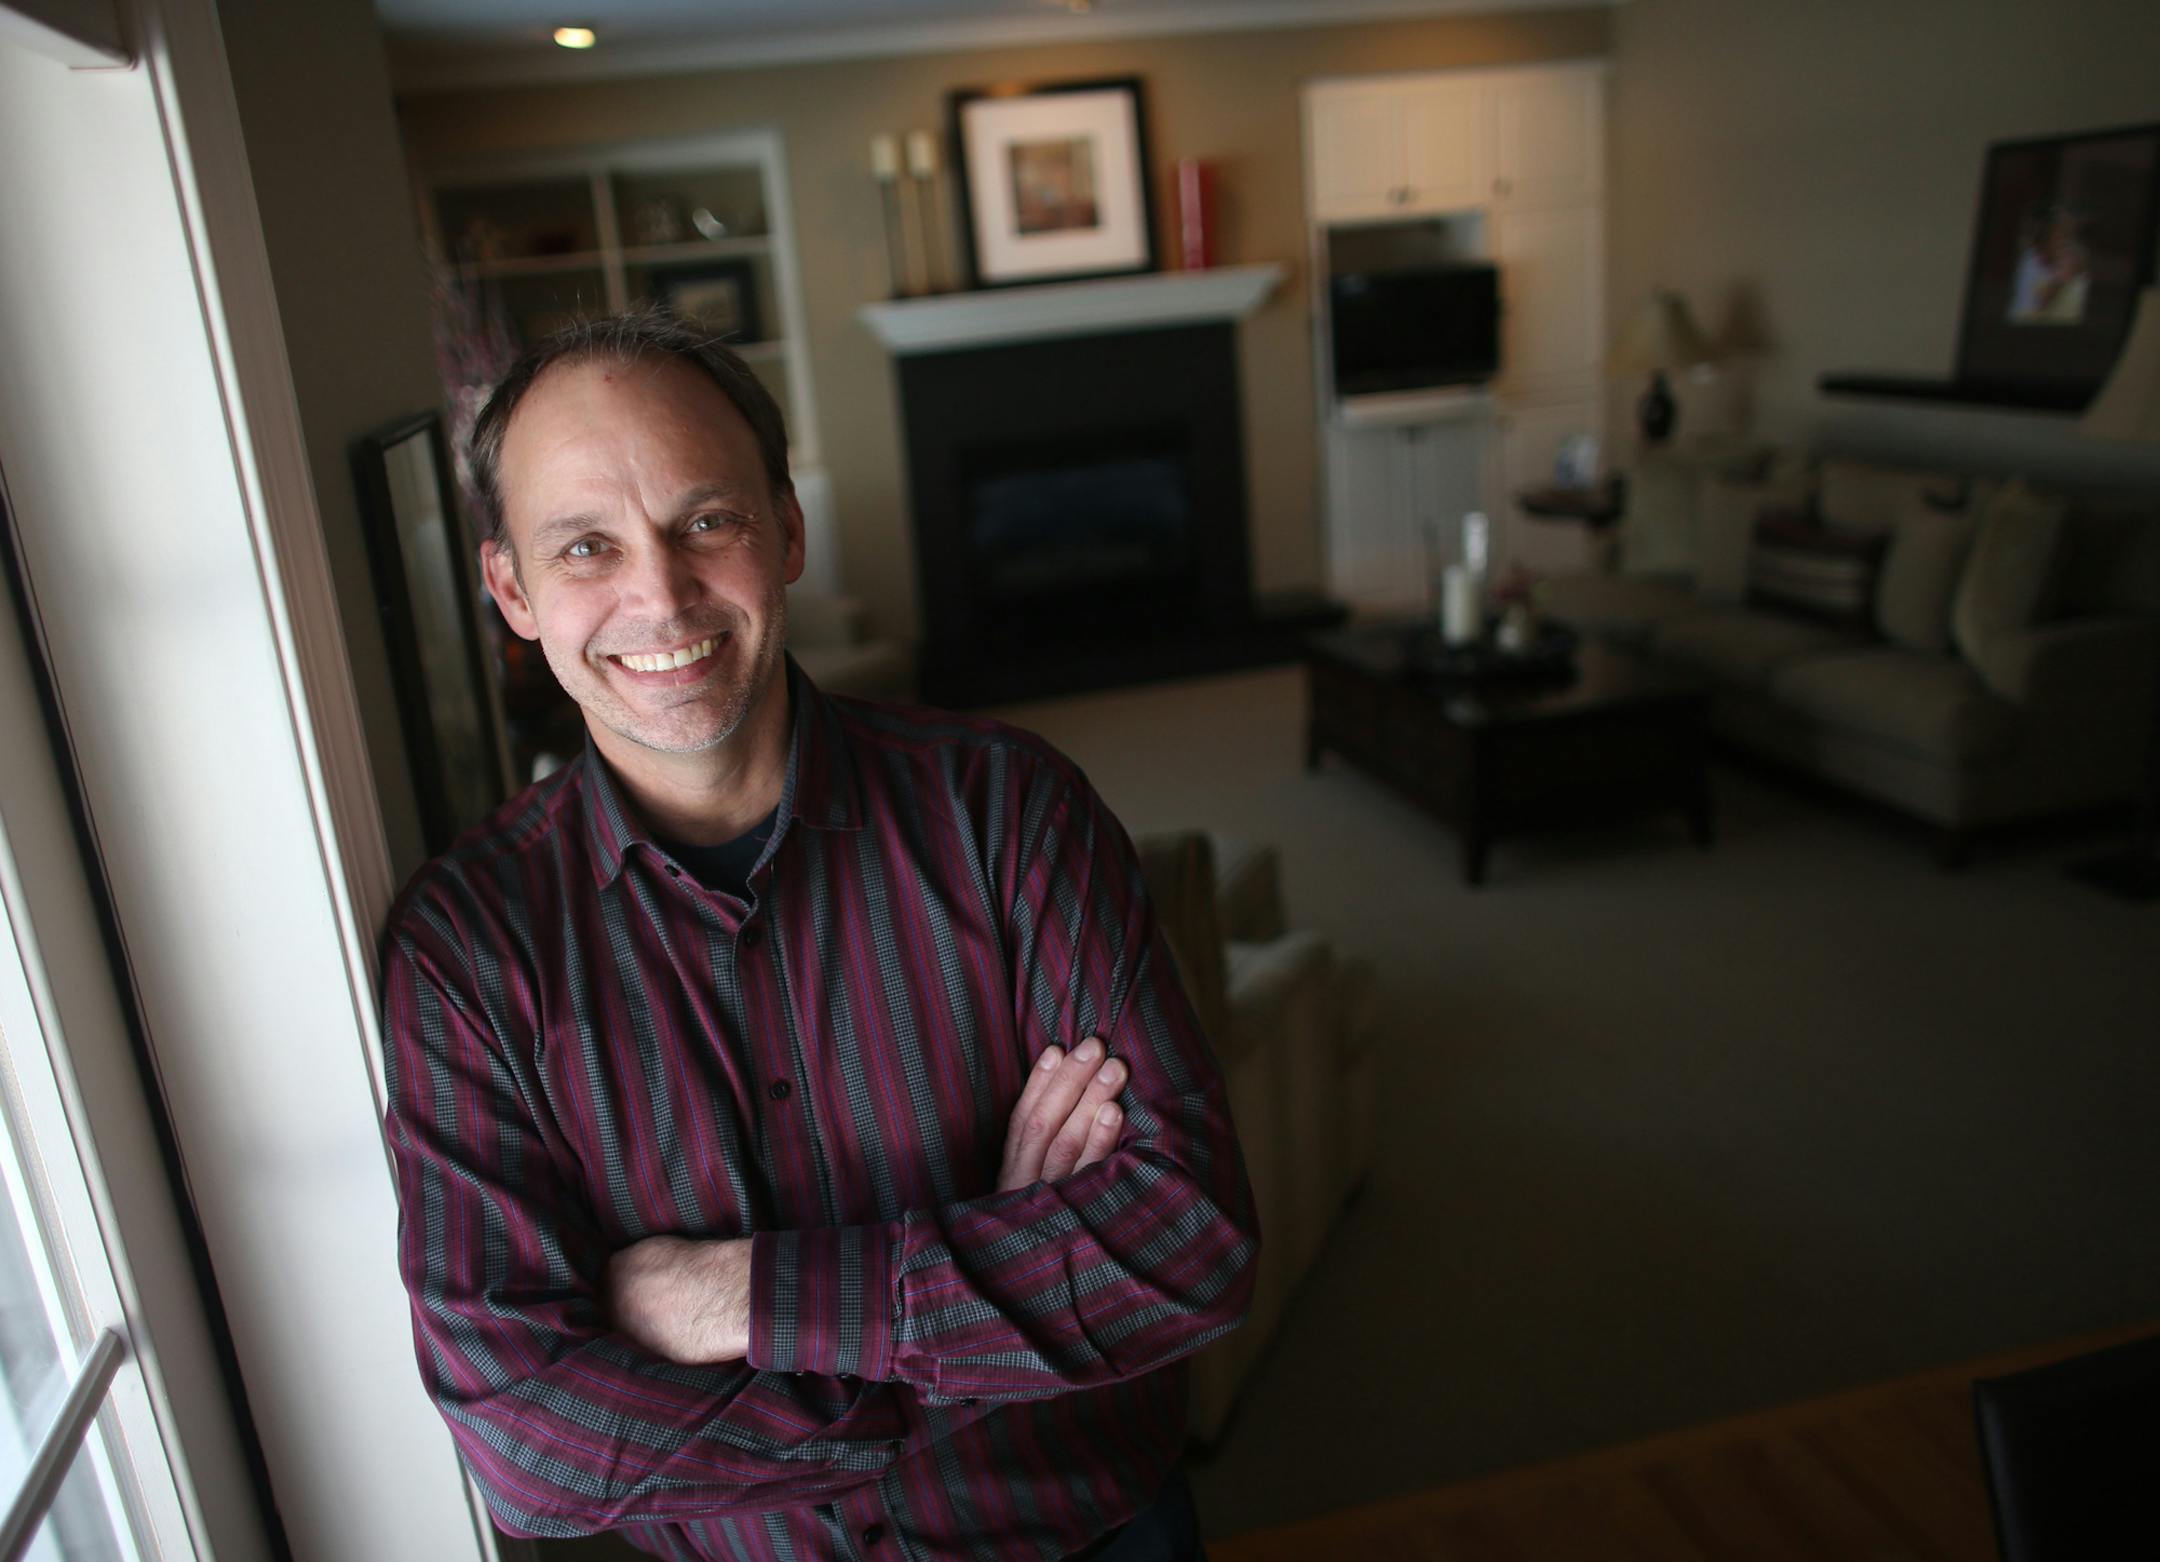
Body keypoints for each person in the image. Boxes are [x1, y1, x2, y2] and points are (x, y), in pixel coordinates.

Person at [378, 311, 1258, 1562]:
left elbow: (1191, 1237)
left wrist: (729, 1295)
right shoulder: (466, 950)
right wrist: (972, 1324)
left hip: (1089, 1534)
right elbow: (529, 1441)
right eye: (586, 546)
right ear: (513, 590)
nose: (659, 595)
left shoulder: (1007, 807)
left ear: (786, 532)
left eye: (706, 521)